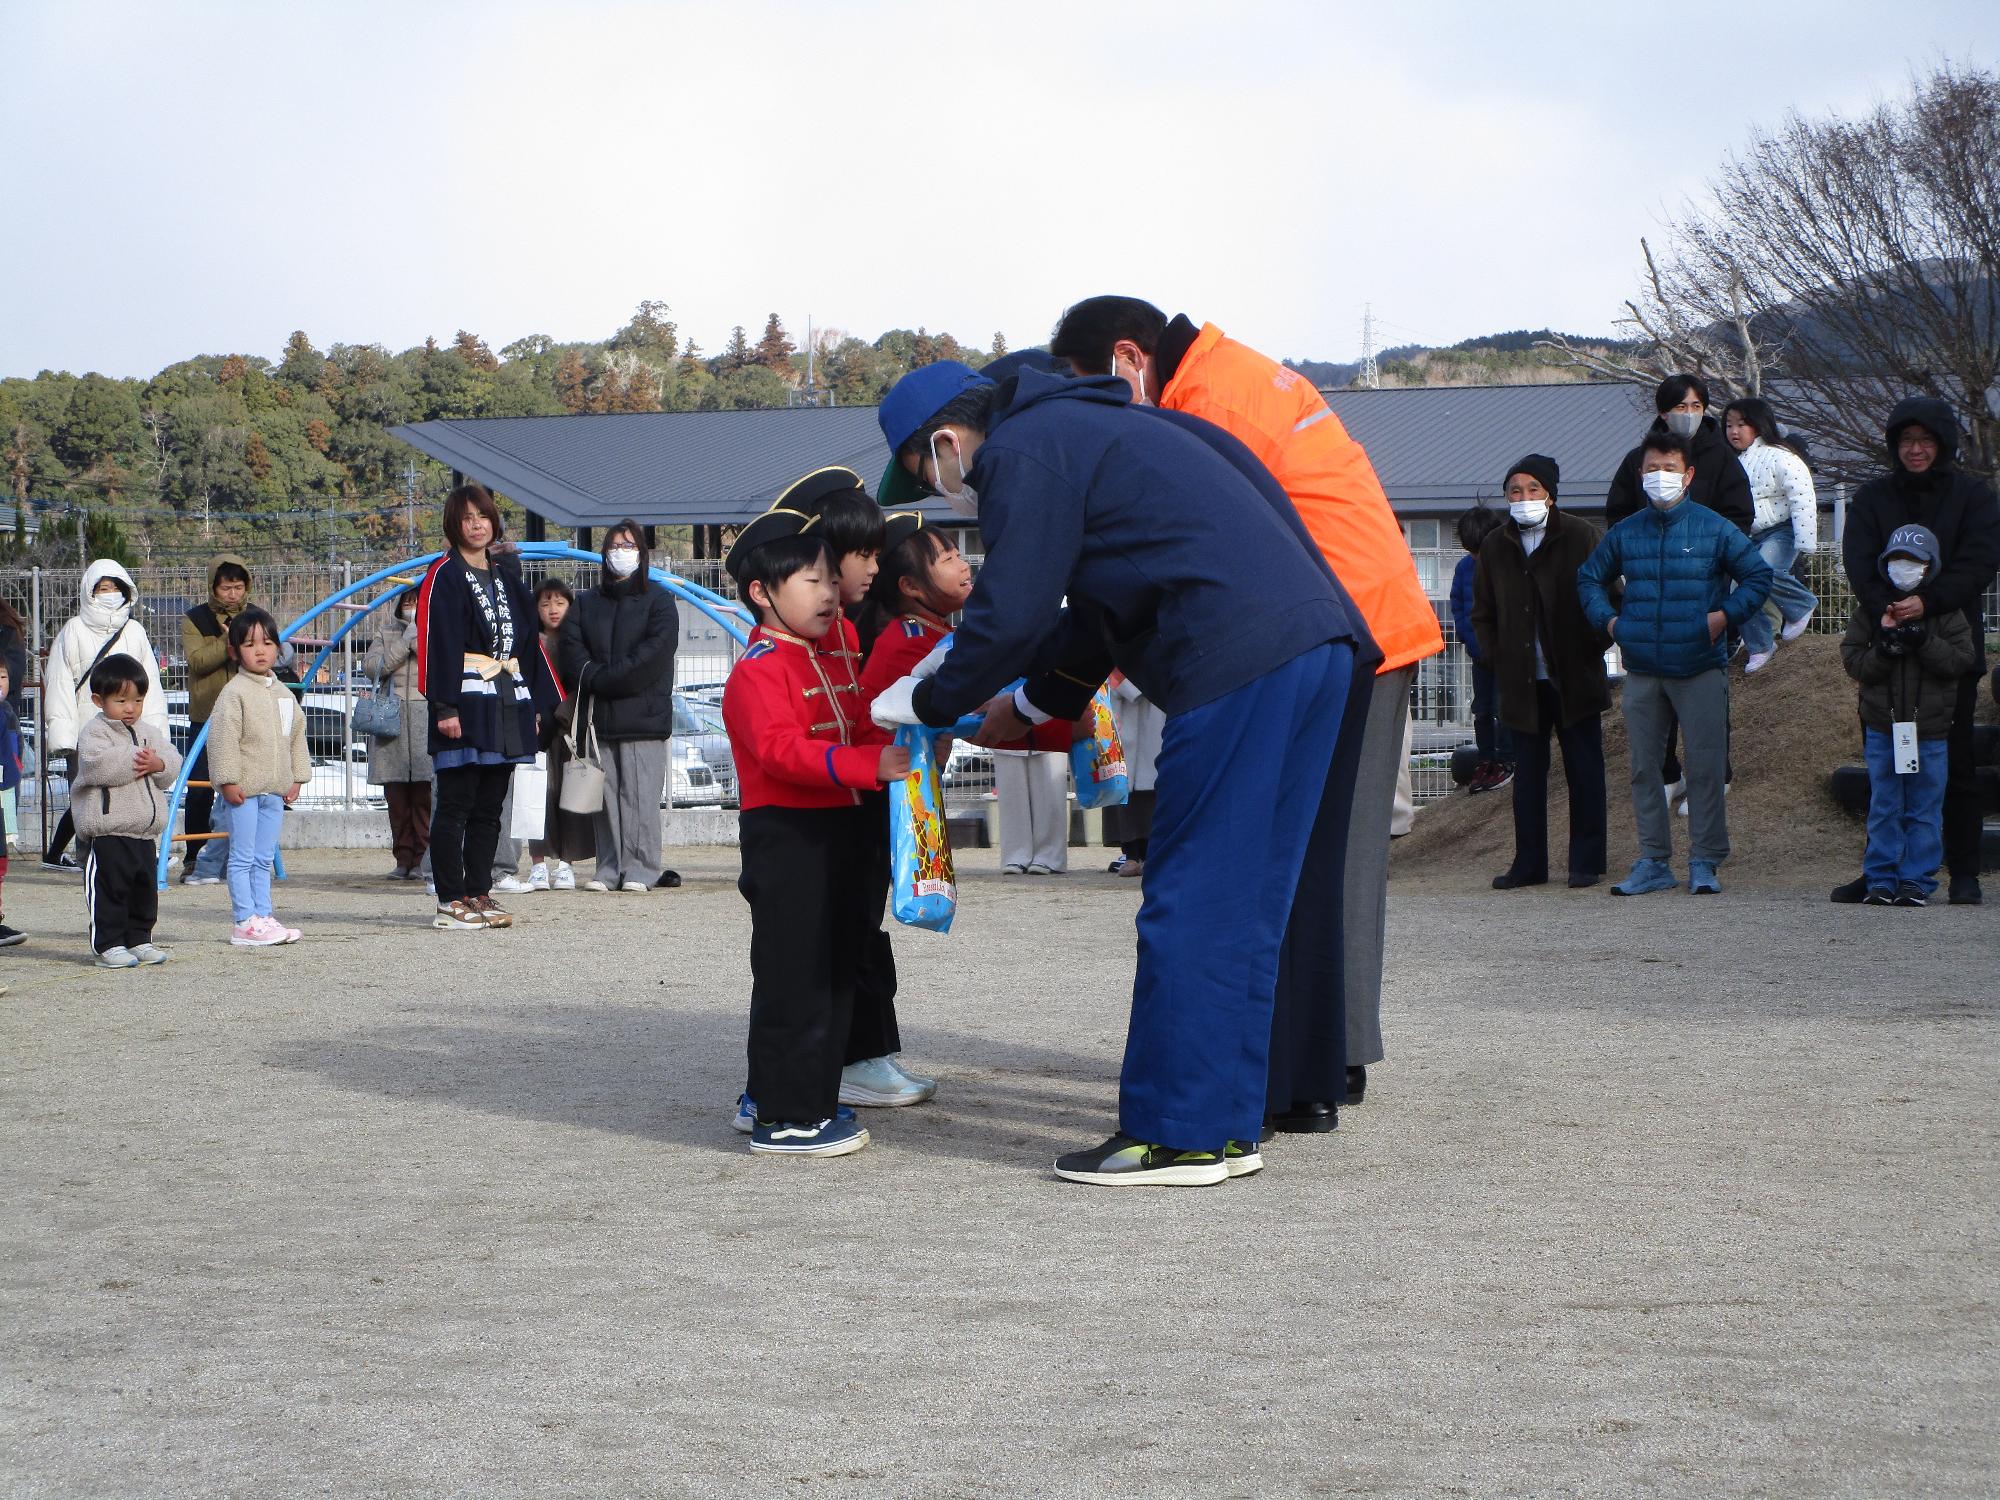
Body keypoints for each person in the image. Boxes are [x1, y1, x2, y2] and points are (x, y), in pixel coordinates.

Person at [869, 359, 1375, 1185]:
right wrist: (1031, 704)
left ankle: (1178, 1134)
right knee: (1248, 901)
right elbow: (1098, 611)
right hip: (1320, 647)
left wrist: (928, 699)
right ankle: (1226, 1123)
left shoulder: (1023, 449)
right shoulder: (1122, 426)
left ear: (949, 441)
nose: (945, 492)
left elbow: (1014, 611)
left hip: (1235, 658)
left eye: (928, 474)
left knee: (1192, 895)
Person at [1049, 298, 1429, 1127]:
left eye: (1086, 386)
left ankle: (1322, 1055)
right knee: (1319, 856)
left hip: (1339, 629)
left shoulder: (1204, 403)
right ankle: (1314, 1057)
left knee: (1316, 858)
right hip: (1348, 620)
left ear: (1128, 358)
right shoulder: (1227, 375)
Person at [721, 507, 912, 1158]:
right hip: (788, 833)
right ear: (762, 592)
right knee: (795, 974)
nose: (829, 592)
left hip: (839, 824)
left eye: (832, 579)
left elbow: (857, 721)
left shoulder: (833, 649)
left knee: (829, 969)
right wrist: (867, 764)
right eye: (811, 581)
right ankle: (788, 1118)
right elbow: (781, 752)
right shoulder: (759, 667)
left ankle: (789, 1097)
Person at [1578, 432, 1772, 896]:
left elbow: (1758, 575)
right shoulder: (1626, 532)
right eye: (1651, 469)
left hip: (1700, 664)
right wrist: (1610, 623)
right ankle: (1653, 860)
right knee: (1645, 769)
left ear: (1688, 476)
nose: (1659, 476)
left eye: (1669, 468)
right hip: (1643, 667)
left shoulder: (1714, 527)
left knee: (1706, 767)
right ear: (1639, 474)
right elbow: (1588, 579)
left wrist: (1724, 616)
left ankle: (1705, 859)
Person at [797, 479, 937, 1112]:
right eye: (864, 555)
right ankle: (846, 1061)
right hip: (833, 808)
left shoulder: (853, 632)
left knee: (864, 930)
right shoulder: (812, 640)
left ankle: (869, 1053)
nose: (874, 568)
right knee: (841, 936)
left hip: (866, 799)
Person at [1835, 397, 2000, 907]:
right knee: (1884, 770)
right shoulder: (1872, 498)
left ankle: (1964, 871)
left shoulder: (1974, 497)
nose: (1916, 449)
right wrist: (1886, 608)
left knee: (1956, 767)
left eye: (1926, 440)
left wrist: (1927, 603)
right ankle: (1881, 872)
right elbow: (1859, 560)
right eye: (1906, 440)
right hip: (1883, 649)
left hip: (1949, 648)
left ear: (1943, 444)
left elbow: (1979, 562)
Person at [416, 482, 553, 932]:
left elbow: (529, 646)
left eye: (483, 517)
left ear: (494, 522)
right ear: (453, 525)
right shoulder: (443, 575)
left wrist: (536, 703)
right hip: (464, 696)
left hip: (507, 697)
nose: (476, 525)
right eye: (467, 518)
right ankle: (449, 898)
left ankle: (479, 890)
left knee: (491, 805)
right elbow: (437, 642)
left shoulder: (508, 578)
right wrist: (444, 707)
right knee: (456, 802)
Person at [1469, 456, 1610, 889]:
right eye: (1515, 490)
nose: (1524, 497)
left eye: (1533, 489)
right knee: (1528, 776)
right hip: (1521, 680)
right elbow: (1482, 611)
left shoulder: (1582, 535)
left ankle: (1586, 862)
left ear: (1550, 494)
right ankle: (1529, 863)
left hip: (1574, 676)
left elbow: (1610, 596)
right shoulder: (1496, 545)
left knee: (1584, 769)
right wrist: (1497, 657)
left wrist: (1589, 647)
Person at [1839, 525, 1975, 906]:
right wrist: (1884, 650)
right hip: (1883, 728)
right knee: (1884, 805)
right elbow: (1853, 660)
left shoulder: (1946, 614)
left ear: (1929, 567)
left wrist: (1923, 641)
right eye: (1897, 560)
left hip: (1930, 731)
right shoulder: (1871, 612)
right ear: (1885, 565)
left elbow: (1961, 661)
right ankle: (1880, 878)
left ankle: (1916, 878)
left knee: (1925, 808)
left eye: (1913, 561)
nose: (1904, 567)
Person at [558, 519, 679, 894]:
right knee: (605, 796)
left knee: (639, 797)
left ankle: (641, 868)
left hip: (643, 717)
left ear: (642, 553)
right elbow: (571, 650)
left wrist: (605, 677)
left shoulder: (660, 601)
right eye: (614, 545)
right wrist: (595, 676)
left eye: (629, 545)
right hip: (600, 719)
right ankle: (608, 867)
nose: (620, 552)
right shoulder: (586, 602)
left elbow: (654, 655)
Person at [43, 561, 167, 871]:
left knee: (131, 792)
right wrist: (63, 734)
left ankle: (131, 856)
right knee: (88, 795)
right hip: (88, 729)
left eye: (115, 587)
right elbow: (59, 683)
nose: (110, 593)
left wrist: (156, 730)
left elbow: (151, 685)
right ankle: (89, 859)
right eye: (102, 588)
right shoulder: (73, 629)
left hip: (131, 729)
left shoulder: (135, 631)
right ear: (90, 592)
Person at [70, 652, 182, 966]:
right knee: (110, 889)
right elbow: (96, 765)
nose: (130, 708)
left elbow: (172, 760)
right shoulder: (94, 732)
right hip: (109, 830)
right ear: (99, 700)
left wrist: (159, 764)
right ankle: (107, 945)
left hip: (144, 833)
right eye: (121, 701)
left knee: (143, 892)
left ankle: (139, 939)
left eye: (138, 700)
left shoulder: (149, 732)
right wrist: (138, 758)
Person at [208, 608, 309, 947]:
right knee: (242, 857)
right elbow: (222, 739)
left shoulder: (283, 693)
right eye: (250, 645)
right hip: (244, 791)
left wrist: (297, 777)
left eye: (267, 643)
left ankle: (263, 916)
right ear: (234, 651)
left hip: (274, 791)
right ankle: (243, 921)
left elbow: (295, 735)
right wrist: (227, 780)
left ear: (278, 647)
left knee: (263, 858)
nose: (260, 651)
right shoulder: (234, 693)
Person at [1722, 398, 1819, 671]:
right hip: (1752, 535)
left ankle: (1802, 604)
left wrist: (1806, 539)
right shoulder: (1733, 461)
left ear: (1759, 424)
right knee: (1739, 591)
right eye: (1729, 425)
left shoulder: (1781, 456)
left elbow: (1802, 497)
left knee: (1763, 571)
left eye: (1741, 424)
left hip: (1782, 529)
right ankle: (1760, 645)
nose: (1734, 431)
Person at [178, 555, 254, 884]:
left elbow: (266, 656)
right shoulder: (195, 619)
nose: (233, 594)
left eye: (238, 587)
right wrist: (227, 640)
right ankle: (194, 856)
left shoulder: (255, 617)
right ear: (213, 587)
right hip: (206, 714)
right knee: (200, 788)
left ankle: (240, 856)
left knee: (247, 787)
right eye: (226, 588)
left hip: (247, 714)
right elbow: (197, 661)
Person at [1603, 374, 1754, 529]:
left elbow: (1739, 513)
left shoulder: (1722, 457)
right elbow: (1618, 513)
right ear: (1663, 412)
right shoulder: (1639, 458)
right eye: (1681, 407)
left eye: (1696, 406)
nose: (1689, 414)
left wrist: (1710, 539)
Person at [362, 588, 433, 881]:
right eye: (407, 602)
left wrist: (422, 644)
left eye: (417, 602)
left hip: (425, 714)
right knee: (397, 797)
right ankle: (403, 858)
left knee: (425, 794)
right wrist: (404, 643)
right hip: (390, 716)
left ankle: (424, 860)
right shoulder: (386, 632)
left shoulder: (436, 629)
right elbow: (372, 667)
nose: (412, 607)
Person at [527, 578, 589, 891]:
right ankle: (537, 864)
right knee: (535, 793)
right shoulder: (528, 643)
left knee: (570, 794)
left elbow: (584, 682)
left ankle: (567, 864)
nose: (553, 610)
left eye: (560, 603)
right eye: (545, 603)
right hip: (537, 730)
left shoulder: (577, 642)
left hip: (570, 729)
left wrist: (565, 713)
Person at [1451, 507, 1514, 794]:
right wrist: (1467, 637)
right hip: (1479, 654)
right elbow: (1458, 605)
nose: (1476, 556)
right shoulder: (1464, 568)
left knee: (1504, 707)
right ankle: (1486, 758)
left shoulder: (1508, 563)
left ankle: (1506, 758)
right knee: (1482, 709)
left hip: (1505, 654)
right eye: (1472, 551)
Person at [1101, 672, 1162, 876]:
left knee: (1151, 788)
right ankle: (1130, 855)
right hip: (1120, 709)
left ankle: (1150, 854)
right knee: (1123, 788)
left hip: (1154, 709)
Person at [0, 661, 23, 947]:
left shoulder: (7, 711)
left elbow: (13, 759)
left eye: (3, 676)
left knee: (1, 858)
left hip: (4, 794)